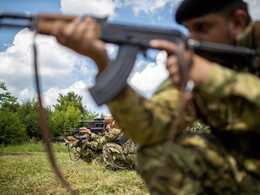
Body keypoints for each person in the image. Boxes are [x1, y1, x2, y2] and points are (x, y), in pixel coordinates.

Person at [49, 0, 260, 193]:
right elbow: (148, 128)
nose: (193, 41)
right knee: (158, 153)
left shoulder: (204, 65)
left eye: (203, 28)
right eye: (189, 31)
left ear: (238, 22)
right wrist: (102, 61)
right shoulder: (198, 61)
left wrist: (209, 76)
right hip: (241, 171)